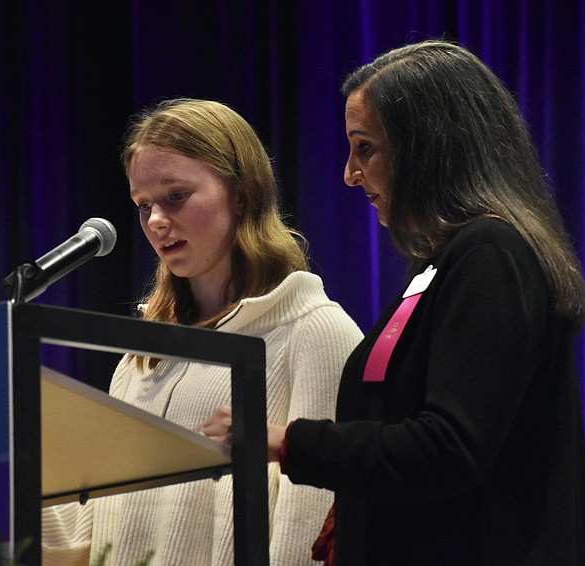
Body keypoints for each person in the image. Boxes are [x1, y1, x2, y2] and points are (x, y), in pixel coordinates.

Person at [201, 40, 585, 564]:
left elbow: (447, 448)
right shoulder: (442, 264)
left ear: (427, 146)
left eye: (365, 147)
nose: (349, 173)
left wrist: (289, 443)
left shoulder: (490, 255)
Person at [41, 98, 363, 565]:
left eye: (175, 196)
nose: (155, 221)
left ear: (241, 194)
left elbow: (309, 523)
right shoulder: (141, 357)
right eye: (143, 204)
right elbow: (96, 532)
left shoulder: (314, 332)